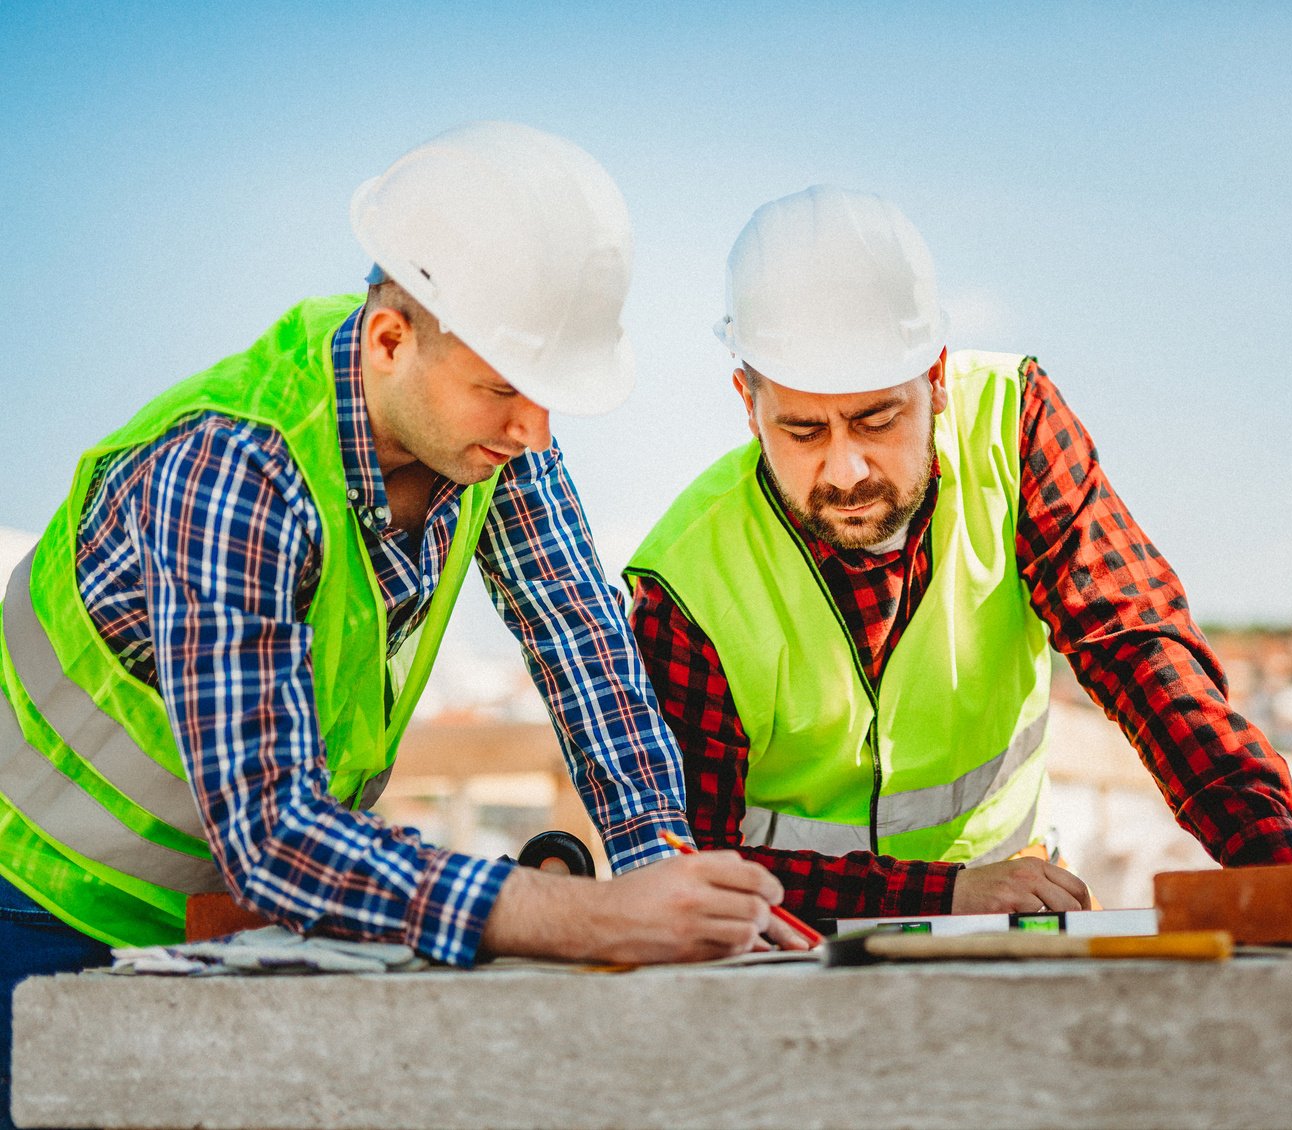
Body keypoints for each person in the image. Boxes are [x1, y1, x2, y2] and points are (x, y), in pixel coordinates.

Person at [0, 122, 799, 1128]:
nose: (534, 431)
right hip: (33, 913)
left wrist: (661, 863)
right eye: (505, 387)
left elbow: (579, 639)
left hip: (243, 923)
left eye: (547, 396)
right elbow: (274, 829)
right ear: (389, 341)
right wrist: (585, 914)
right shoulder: (235, 466)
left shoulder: (487, 435)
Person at [626, 185, 1292, 999]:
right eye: (803, 431)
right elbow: (696, 862)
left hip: (1012, 923)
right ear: (748, 403)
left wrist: (1277, 871)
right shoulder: (688, 581)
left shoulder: (1011, 429)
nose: (845, 470)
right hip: (790, 961)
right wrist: (939, 897)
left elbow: (1137, 645)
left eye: (877, 420)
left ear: (936, 379)